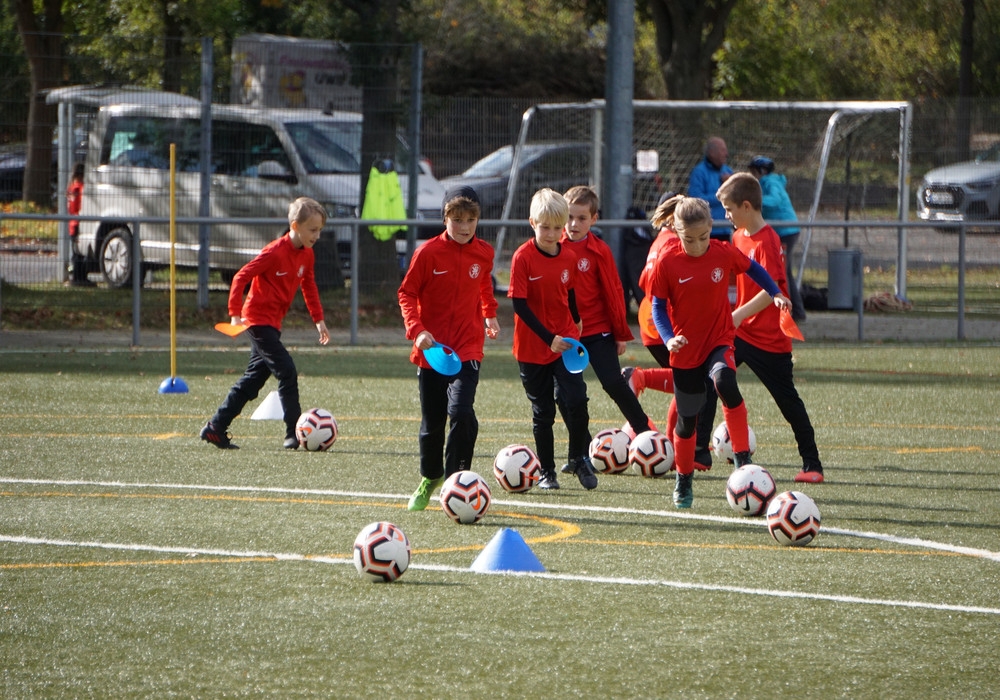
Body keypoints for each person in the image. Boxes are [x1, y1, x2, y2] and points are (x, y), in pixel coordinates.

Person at [648, 195, 789, 509]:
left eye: (703, 237)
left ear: (711, 227)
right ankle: (684, 479)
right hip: (685, 349)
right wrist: (668, 338)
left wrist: (776, 292)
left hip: (719, 339)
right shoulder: (667, 262)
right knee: (688, 421)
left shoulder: (722, 252)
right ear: (676, 231)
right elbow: (658, 307)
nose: (697, 245)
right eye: (689, 239)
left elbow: (754, 269)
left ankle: (742, 459)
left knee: (725, 382)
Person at [398, 185, 500, 511]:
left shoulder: (484, 252)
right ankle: (430, 477)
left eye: (470, 220)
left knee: (461, 411)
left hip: (468, 346)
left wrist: (490, 314)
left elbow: (483, 284)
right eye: (457, 219)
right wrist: (417, 331)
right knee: (432, 424)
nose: (464, 226)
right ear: (445, 218)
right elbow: (406, 293)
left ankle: (456, 479)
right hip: (433, 349)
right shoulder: (427, 253)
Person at [717, 172, 824, 483]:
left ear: (746, 206)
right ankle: (703, 452)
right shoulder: (738, 237)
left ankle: (812, 465)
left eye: (729, 209)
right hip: (739, 333)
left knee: (788, 401)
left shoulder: (768, 240)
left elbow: (772, 290)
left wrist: (738, 314)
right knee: (715, 380)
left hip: (768, 339)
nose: (726, 216)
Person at [200, 196, 330, 450]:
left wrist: (319, 320)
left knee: (253, 380)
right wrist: (235, 314)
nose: (317, 235)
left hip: (273, 324)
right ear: (295, 226)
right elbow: (240, 277)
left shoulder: (307, 255)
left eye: (320, 230)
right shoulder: (274, 252)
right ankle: (294, 433)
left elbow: (309, 286)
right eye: (313, 230)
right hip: (256, 321)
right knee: (287, 371)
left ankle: (216, 427)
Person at [508, 188, 597, 491]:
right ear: (532, 223)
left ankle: (578, 459)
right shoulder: (522, 258)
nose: (551, 234)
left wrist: (576, 319)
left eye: (557, 228)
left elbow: (569, 292)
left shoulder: (568, 256)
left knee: (577, 399)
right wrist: (549, 338)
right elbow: (519, 305)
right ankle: (547, 471)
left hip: (566, 342)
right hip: (533, 346)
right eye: (544, 227)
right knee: (543, 412)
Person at [559, 185, 654, 449]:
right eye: (569, 217)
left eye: (581, 218)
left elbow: (614, 292)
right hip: (566, 336)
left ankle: (646, 435)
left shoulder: (599, 250)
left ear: (594, 219)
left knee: (613, 383)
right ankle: (583, 450)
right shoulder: (554, 248)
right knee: (565, 395)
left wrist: (620, 333)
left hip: (597, 331)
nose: (574, 224)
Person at [748, 156, 807, 321]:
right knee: (785, 271)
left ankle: (794, 311)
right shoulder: (766, 182)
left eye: (753, 171)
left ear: (761, 171)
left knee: (782, 271)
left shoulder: (770, 181)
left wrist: (754, 200)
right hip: (784, 230)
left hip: (786, 231)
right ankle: (796, 311)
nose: (752, 175)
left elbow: (775, 200)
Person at [687, 137, 734, 241]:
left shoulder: (728, 171)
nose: (726, 154)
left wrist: (733, 186)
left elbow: (737, 197)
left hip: (726, 229)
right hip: (706, 233)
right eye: (723, 150)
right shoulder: (699, 172)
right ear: (712, 153)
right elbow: (696, 201)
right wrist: (723, 195)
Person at [66, 162, 93, 287]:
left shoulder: (71, 188)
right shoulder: (80, 188)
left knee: (76, 251)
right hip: (78, 222)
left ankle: (78, 277)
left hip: (72, 222)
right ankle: (79, 277)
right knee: (80, 253)